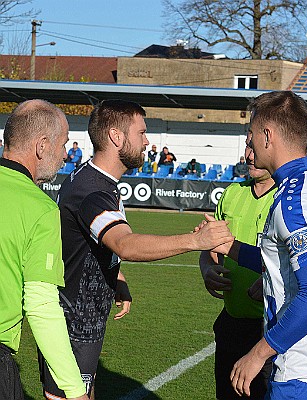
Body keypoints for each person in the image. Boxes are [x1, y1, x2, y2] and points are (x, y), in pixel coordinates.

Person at [39, 99, 234, 399]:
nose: (147, 141)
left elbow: (91, 240)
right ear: (117, 137)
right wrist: (196, 241)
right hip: (73, 325)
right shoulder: (93, 190)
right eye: (141, 132)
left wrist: (116, 276)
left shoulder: (91, 177)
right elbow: (125, 243)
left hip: (81, 319)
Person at [209, 91, 307, 400]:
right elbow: (281, 262)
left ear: (267, 135)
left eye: (250, 137)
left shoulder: (294, 202)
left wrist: (258, 354)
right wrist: (228, 245)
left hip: (304, 371)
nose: (247, 147)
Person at [0, 100, 88, 400]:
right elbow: (41, 306)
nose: (65, 154)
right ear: (42, 146)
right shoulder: (41, 208)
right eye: (63, 144)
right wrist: (75, 390)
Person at [199, 131, 276, 400]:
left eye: (254, 148)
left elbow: (297, 263)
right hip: (230, 324)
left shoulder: (286, 200)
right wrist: (207, 269)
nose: (249, 155)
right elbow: (209, 247)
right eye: (246, 147)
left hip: (270, 331)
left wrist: (269, 281)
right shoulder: (231, 193)